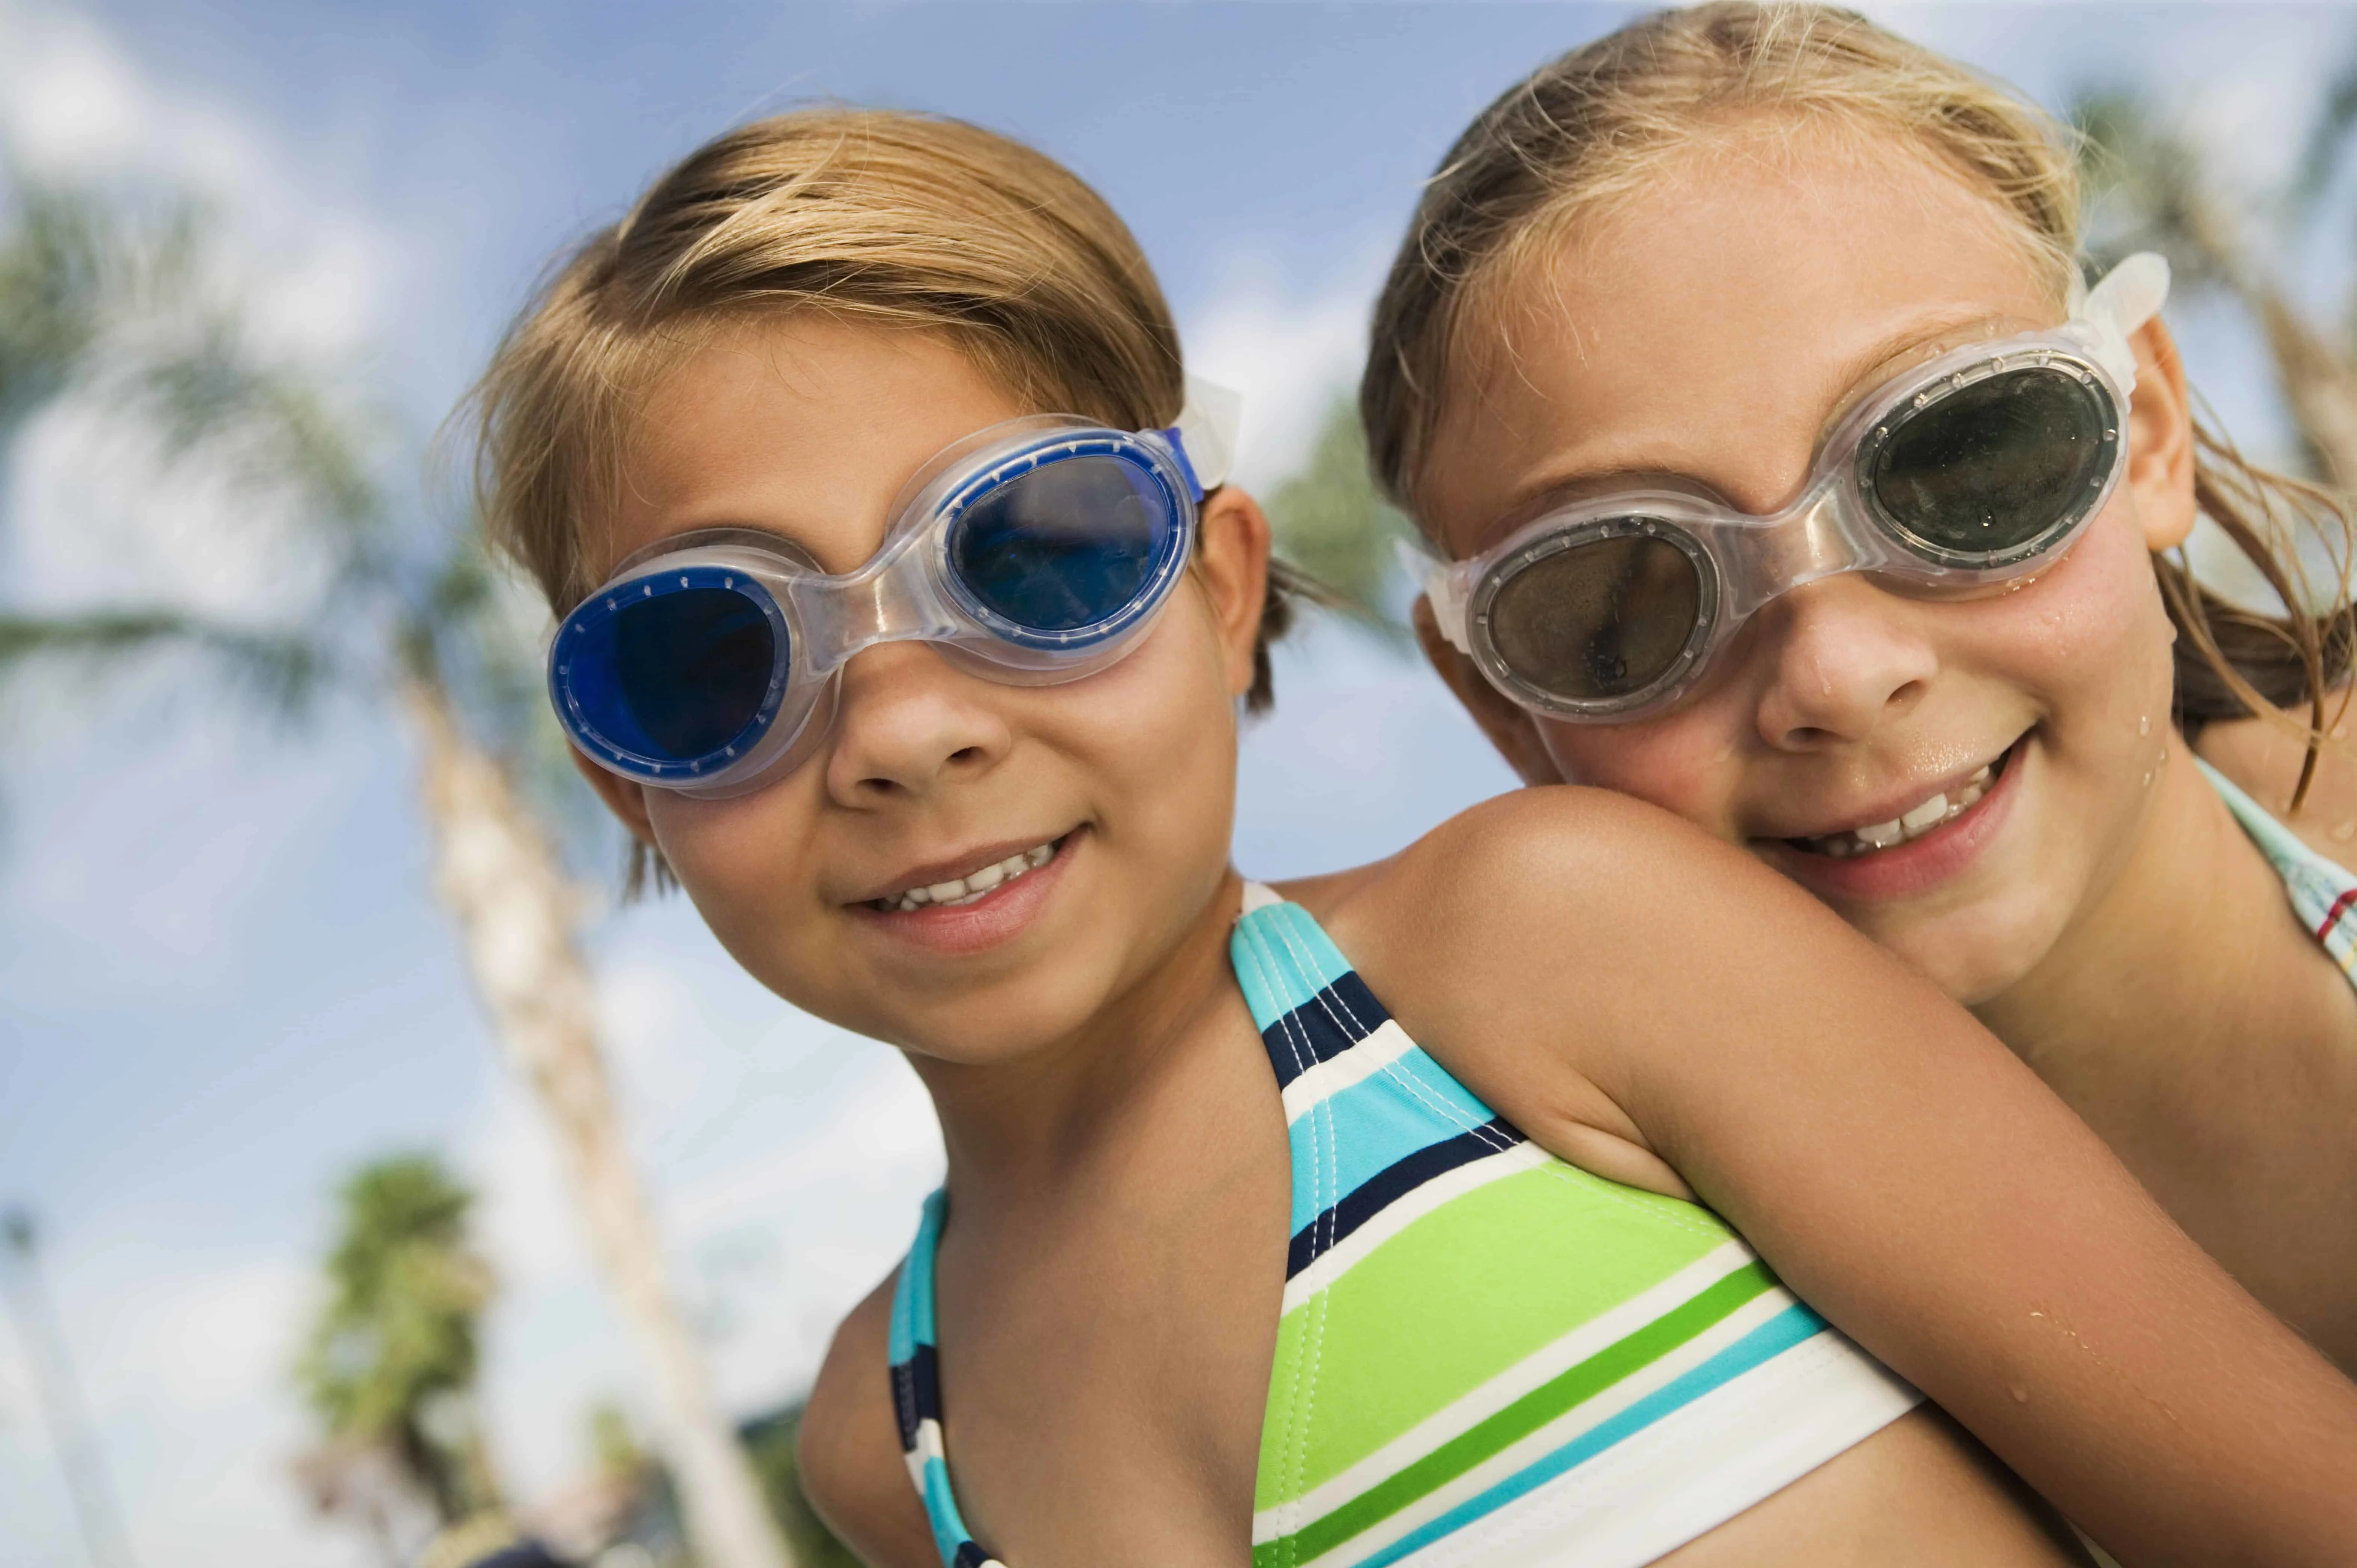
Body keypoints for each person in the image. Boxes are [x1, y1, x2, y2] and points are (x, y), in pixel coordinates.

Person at [469, 107, 2357, 1568]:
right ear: (626, 779)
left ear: (1219, 591)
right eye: (711, 655)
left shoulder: (1549, 952)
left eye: (1031, 554)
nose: (902, 725)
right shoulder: (889, 1440)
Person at [1368, 1, 2357, 1375]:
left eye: (1956, 463)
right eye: (1625, 602)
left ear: (2146, 435)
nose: (1836, 673)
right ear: (1497, 708)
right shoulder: (1632, 1332)